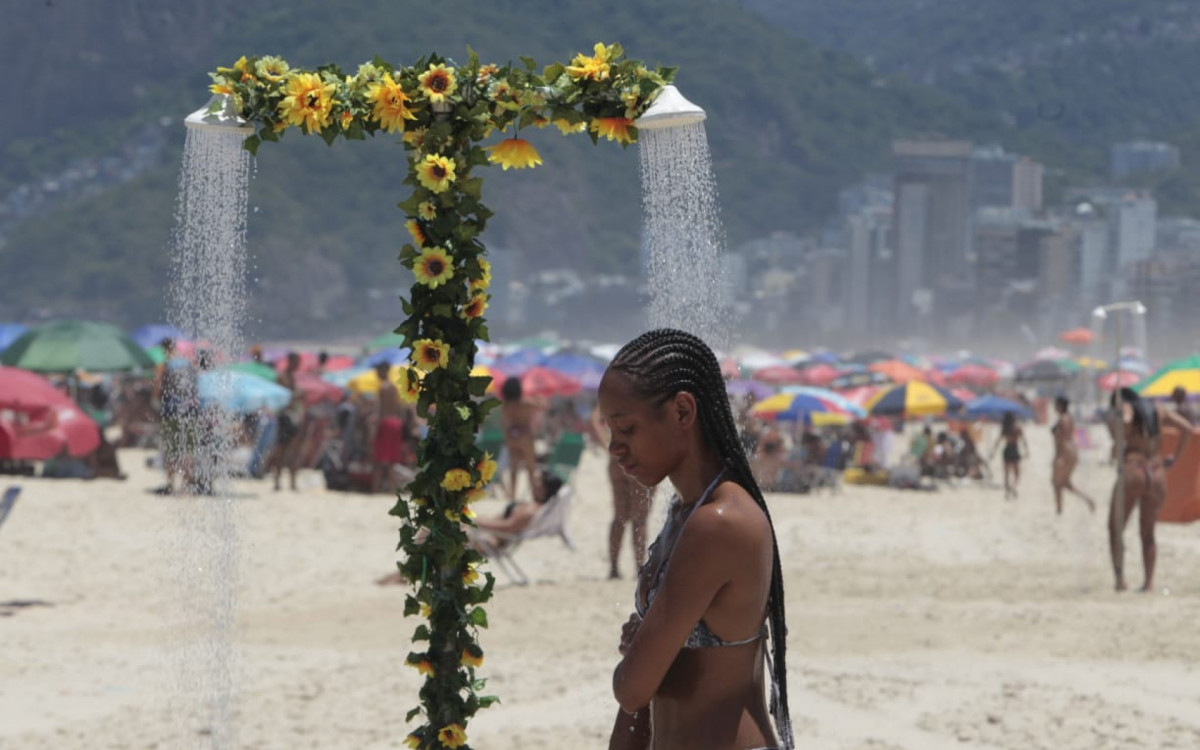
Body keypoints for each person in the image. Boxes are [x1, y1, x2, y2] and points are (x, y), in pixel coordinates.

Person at [599, 329, 792, 750]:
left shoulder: (718, 524)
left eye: (627, 428)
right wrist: (644, 652)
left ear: (683, 411)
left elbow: (633, 688)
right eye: (610, 431)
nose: (615, 448)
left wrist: (637, 654)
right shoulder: (687, 512)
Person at [1108, 387, 1196, 592]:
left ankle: (1120, 580)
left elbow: (1126, 420)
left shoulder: (1127, 408)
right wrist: (1175, 457)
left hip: (1133, 469)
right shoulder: (1158, 410)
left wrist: (1119, 427)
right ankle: (1148, 583)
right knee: (1148, 533)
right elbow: (1188, 429)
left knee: (1115, 528)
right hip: (1156, 473)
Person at [592, 404, 653, 579]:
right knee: (639, 519)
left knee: (619, 517)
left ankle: (613, 568)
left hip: (617, 461)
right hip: (638, 458)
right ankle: (639, 567)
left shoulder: (614, 395)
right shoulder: (643, 396)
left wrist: (607, 446)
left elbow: (593, 419)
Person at [500, 376, 545, 502]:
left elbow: (504, 424)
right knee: (531, 469)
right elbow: (544, 405)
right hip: (525, 436)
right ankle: (535, 496)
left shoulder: (505, 406)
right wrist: (537, 396)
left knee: (513, 470)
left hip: (512, 436)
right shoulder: (526, 403)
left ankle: (512, 497)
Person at [1050, 395, 1095, 514]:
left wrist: (1058, 456)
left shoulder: (1063, 419)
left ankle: (1059, 509)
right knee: (1065, 483)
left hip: (1064, 452)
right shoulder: (1070, 418)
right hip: (1072, 450)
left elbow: (1061, 439)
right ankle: (1087, 499)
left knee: (1057, 483)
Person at [265, 351, 303, 491]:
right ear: (290, 361)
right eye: (296, 362)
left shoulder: (291, 377)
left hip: (290, 416)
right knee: (281, 450)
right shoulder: (283, 377)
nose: (297, 365)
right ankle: (278, 482)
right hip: (284, 417)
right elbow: (282, 398)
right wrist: (295, 397)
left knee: (292, 451)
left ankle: (291, 482)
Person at [372, 361, 406, 494]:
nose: (376, 374)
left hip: (385, 422)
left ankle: (375, 490)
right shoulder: (394, 387)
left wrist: (375, 430)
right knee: (392, 460)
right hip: (396, 423)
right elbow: (399, 408)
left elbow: (379, 410)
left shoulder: (383, 387)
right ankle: (391, 490)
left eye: (378, 371)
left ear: (383, 371)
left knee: (379, 459)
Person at [989, 412, 1029, 500]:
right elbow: (1023, 440)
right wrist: (1027, 451)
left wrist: (993, 452)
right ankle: (1013, 486)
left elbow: (998, 441)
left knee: (1007, 474)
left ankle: (1007, 492)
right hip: (1014, 449)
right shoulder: (1017, 428)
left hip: (1007, 450)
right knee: (1017, 473)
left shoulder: (1006, 428)